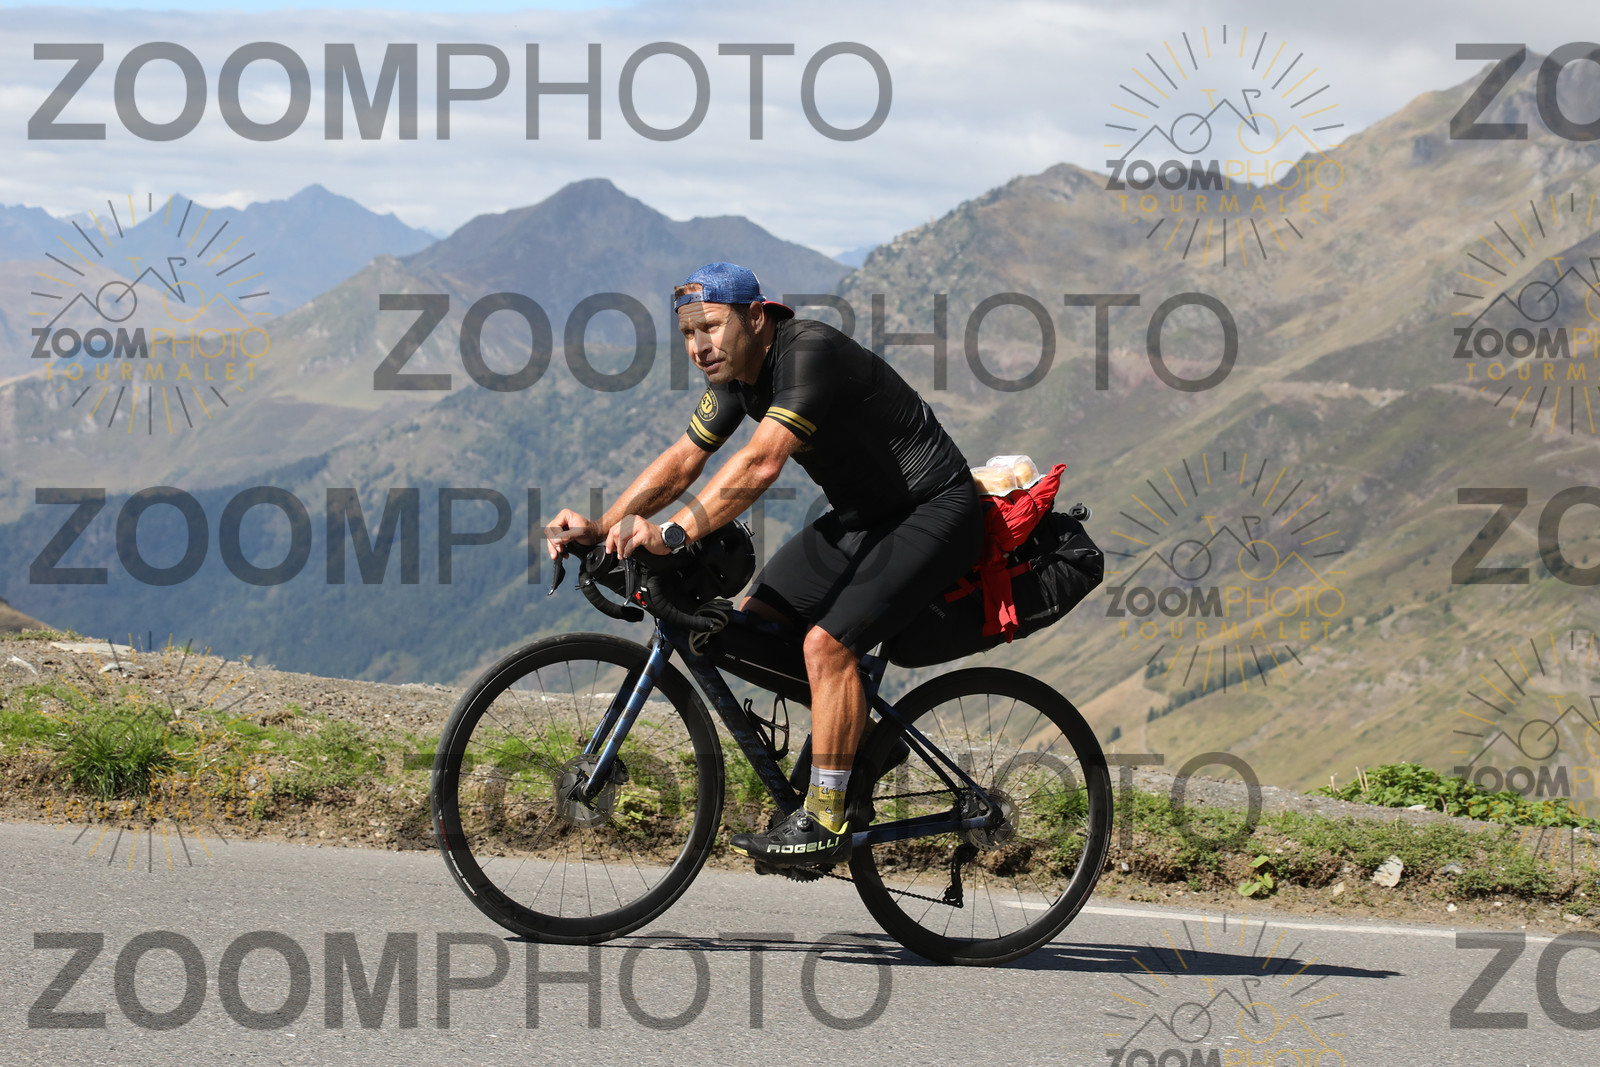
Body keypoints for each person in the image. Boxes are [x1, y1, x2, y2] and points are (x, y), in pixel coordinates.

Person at [546, 262, 982, 866]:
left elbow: (760, 463)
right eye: (688, 334)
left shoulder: (808, 354)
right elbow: (684, 459)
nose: (699, 347)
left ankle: (825, 816)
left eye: (710, 327)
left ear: (756, 317)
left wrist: (672, 532)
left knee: (827, 647)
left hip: (934, 509)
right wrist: (601, 527)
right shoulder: (736, 375)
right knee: (751, 626)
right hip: (861, 519)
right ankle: (863, 740)